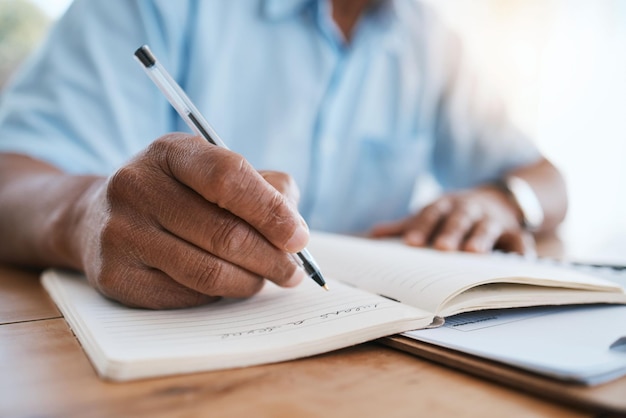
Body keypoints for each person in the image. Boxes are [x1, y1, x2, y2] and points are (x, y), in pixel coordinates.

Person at [0, 0, 567, 309]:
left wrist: (502, 199)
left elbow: (547, 180)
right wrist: (83, 212)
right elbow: (12, 177)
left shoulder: (431, 40)